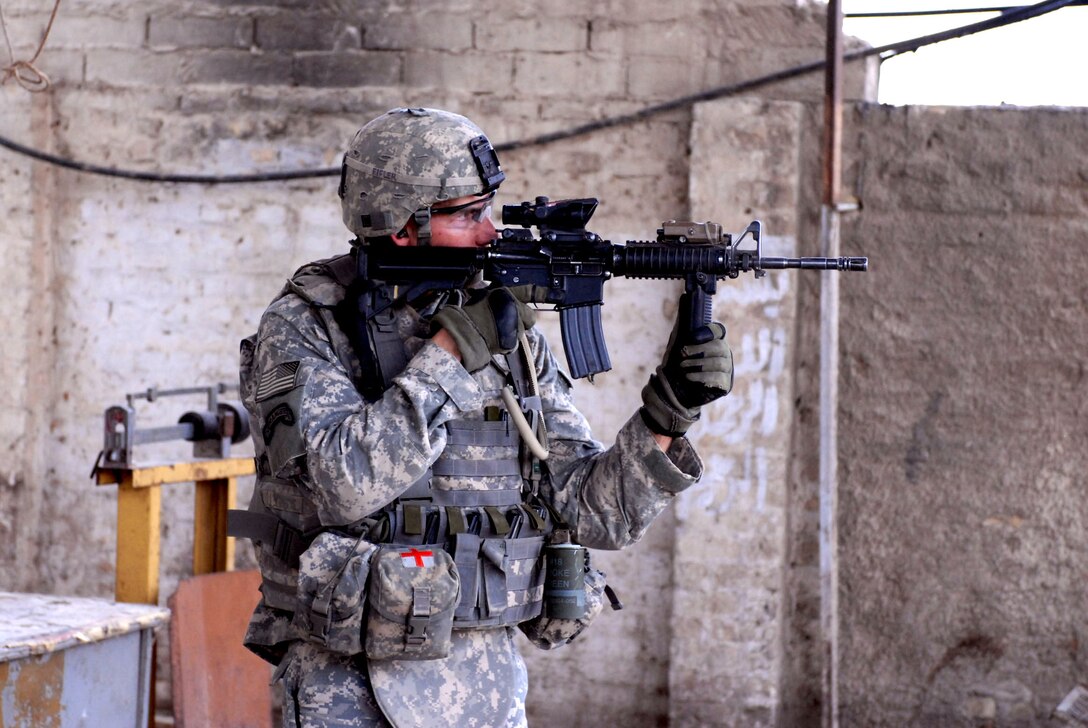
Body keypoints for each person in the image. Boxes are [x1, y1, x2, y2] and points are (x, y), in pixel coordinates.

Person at [231, 107, 733, 727]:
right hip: (350, 679)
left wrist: (669, 410)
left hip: (484, 683)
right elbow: (342, 486)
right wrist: (450, 355)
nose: (491, 232)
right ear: (400, 225)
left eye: (488, 209)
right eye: (468, 215)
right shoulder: (308, 326)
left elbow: (592, 512)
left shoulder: (508, 336)